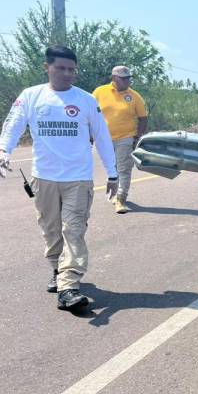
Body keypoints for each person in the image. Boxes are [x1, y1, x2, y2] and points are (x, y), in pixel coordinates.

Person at [0, 45, 118, 311]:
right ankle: (57, 269)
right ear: (47, 67)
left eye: (72, 69)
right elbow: (13, 124)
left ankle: (68, 286)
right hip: (43, 177)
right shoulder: (31, 96)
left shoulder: (86, 100)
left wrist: (112, 173)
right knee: (50, 228)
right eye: (61, 68)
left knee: (73, 230)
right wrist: (3, 149)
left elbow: (102, 137)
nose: (67, 74)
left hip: (78, 178)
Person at [92, 65, 148, 214]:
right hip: (104, 140)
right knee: (113, 168)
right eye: (123, 79)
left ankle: (121, 199)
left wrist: (138, 136)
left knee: (124, 169)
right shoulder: (99, 92)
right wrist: (89, 134)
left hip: (126, 138)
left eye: (128, 78)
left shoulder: (134, 96)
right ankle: (115, 190)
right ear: (114, 78)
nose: (127, 82)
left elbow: (143, 118)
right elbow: (90, 113)